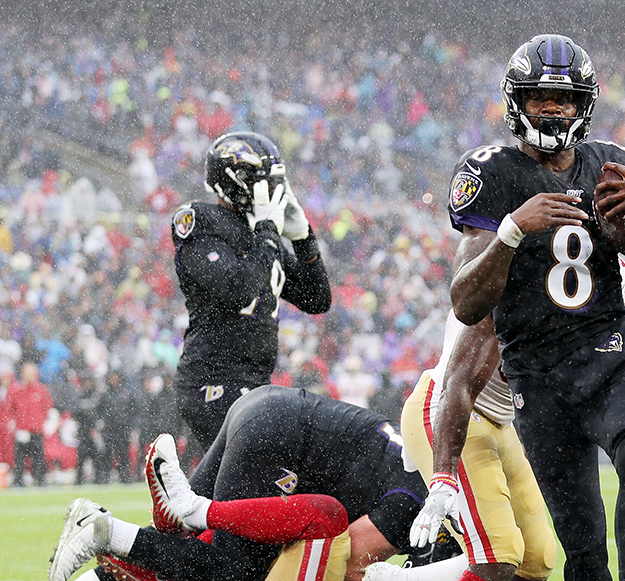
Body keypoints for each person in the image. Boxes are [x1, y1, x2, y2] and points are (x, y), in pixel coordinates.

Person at [447, 34, 625, 581]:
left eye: (565, 99)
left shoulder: (611, 166)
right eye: (539, 98)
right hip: (537, 375)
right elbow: (465, 303)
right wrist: (511, 231)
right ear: (516, 102)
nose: (553, 109)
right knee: (583, 546)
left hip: (607, 351)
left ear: (585, 105)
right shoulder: (491, 172)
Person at [49, 385, 457, 581]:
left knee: (189, 547)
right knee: (233, 571)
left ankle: (109, 555)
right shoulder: (414, 508)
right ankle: (106, 530)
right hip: (283, 441)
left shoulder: (424, 479)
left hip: (266, 408)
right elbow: (346, 562)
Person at [171, 131, 331, 448]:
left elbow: (317, 299)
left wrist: (304, 239)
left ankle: (174, 482)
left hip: (253, 381)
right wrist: (268, 232)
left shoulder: (257, 234)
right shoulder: (200, 221)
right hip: (213, 379)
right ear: (236, 182)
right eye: (265, 182)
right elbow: (239, 289)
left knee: (248, 475)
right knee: (258, 470)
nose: (274, 189)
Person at [377, 311, 555, 581]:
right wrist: (444, 475)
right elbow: (460, 379)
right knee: (496, 557)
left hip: (501, 423)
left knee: (537, 560)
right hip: (450, 411)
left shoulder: (590, 292)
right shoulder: (501, 293)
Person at [5, 361, 53, 486]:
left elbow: (47, 407)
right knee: (19, 458)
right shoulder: (16, 389)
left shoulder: (41, 389)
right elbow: (9, 408)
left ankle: (40, 481)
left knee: (38, 457)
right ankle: (18, 482)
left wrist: (42, 421)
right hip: (21, 429)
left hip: (36, 429)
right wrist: (14, 423)